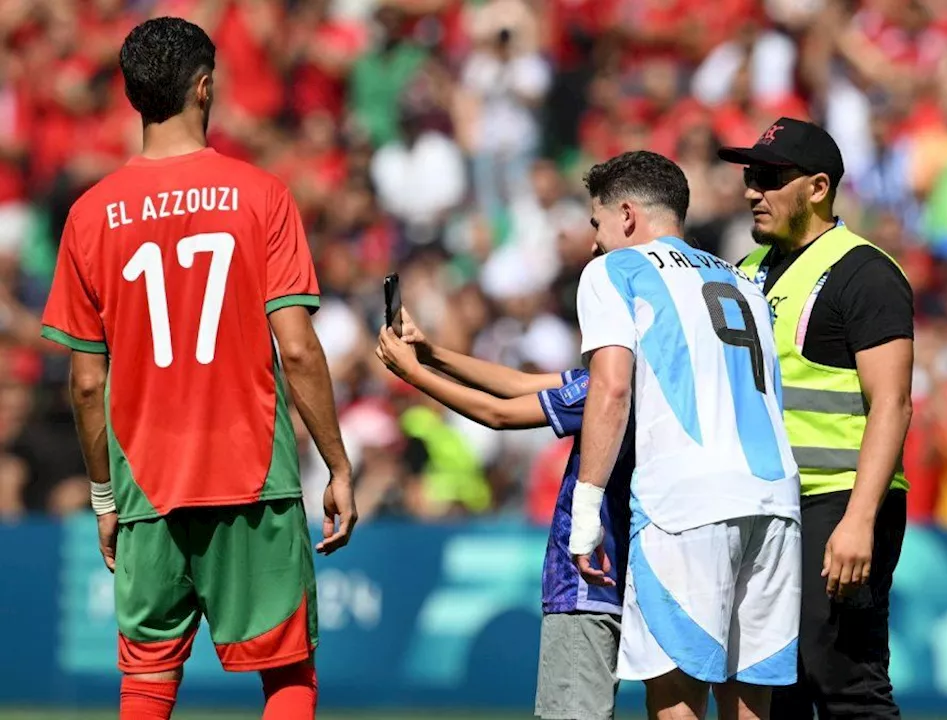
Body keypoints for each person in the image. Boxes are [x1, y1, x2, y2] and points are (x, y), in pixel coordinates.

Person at [39, 18, 356, 720]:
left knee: (147, 682)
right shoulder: (260, 195)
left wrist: (103, 498)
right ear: (204, 86)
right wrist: (337, 464)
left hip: (147, 482)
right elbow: (298, 347)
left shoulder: (89, 215)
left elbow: (87, 383)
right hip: (252, 477)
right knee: (287, 673)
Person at [569, 150, 801, 720]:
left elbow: (612, 388)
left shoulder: (613, 271)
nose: (593, 242)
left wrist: (586, 510)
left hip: (685, 505)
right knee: (752, 706)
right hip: (775, 501)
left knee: (677, 702)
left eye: (596, 224)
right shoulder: (742, 279)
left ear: (626, 214)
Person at [719, 117, 914, 719]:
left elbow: (894, 403)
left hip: (839, 499)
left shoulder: (865, 272)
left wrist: (859, 520)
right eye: (751, 175)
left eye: (771, 177)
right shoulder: (747, 270)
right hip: (772, 502)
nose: (753, 189)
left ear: (818, 187)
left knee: (844, 682)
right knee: (777, 682)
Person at [374, 307, 632, 720]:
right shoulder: (640, 382)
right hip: (628, 573)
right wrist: (431, 354)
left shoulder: (609, 388)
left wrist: (414, 376)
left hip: (589, 581)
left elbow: (500, 414)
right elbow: (516, 385)